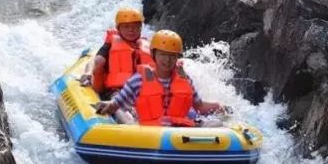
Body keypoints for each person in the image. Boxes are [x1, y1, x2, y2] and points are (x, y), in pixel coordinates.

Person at [95, 30, 228, 126]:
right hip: (149, 131)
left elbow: (199, 106)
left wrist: (217, 106)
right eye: (163, 55)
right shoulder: (139, 80)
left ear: (177, 58)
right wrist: (105, 106)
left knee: (215, 124)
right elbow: (117, 104)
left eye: (172, 56)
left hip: (180, 131)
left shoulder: (185, 80)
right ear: (154, 54)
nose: (167, 60)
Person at [80, 7, 154, 98]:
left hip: (139, 91)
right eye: (126, 26)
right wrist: (88, 73)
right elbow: (94, 60)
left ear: (140, 28)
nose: (131, 30)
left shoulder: (147, 47)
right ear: (118, 28)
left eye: (135, 26)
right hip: (115, 90)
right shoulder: (110, 45)